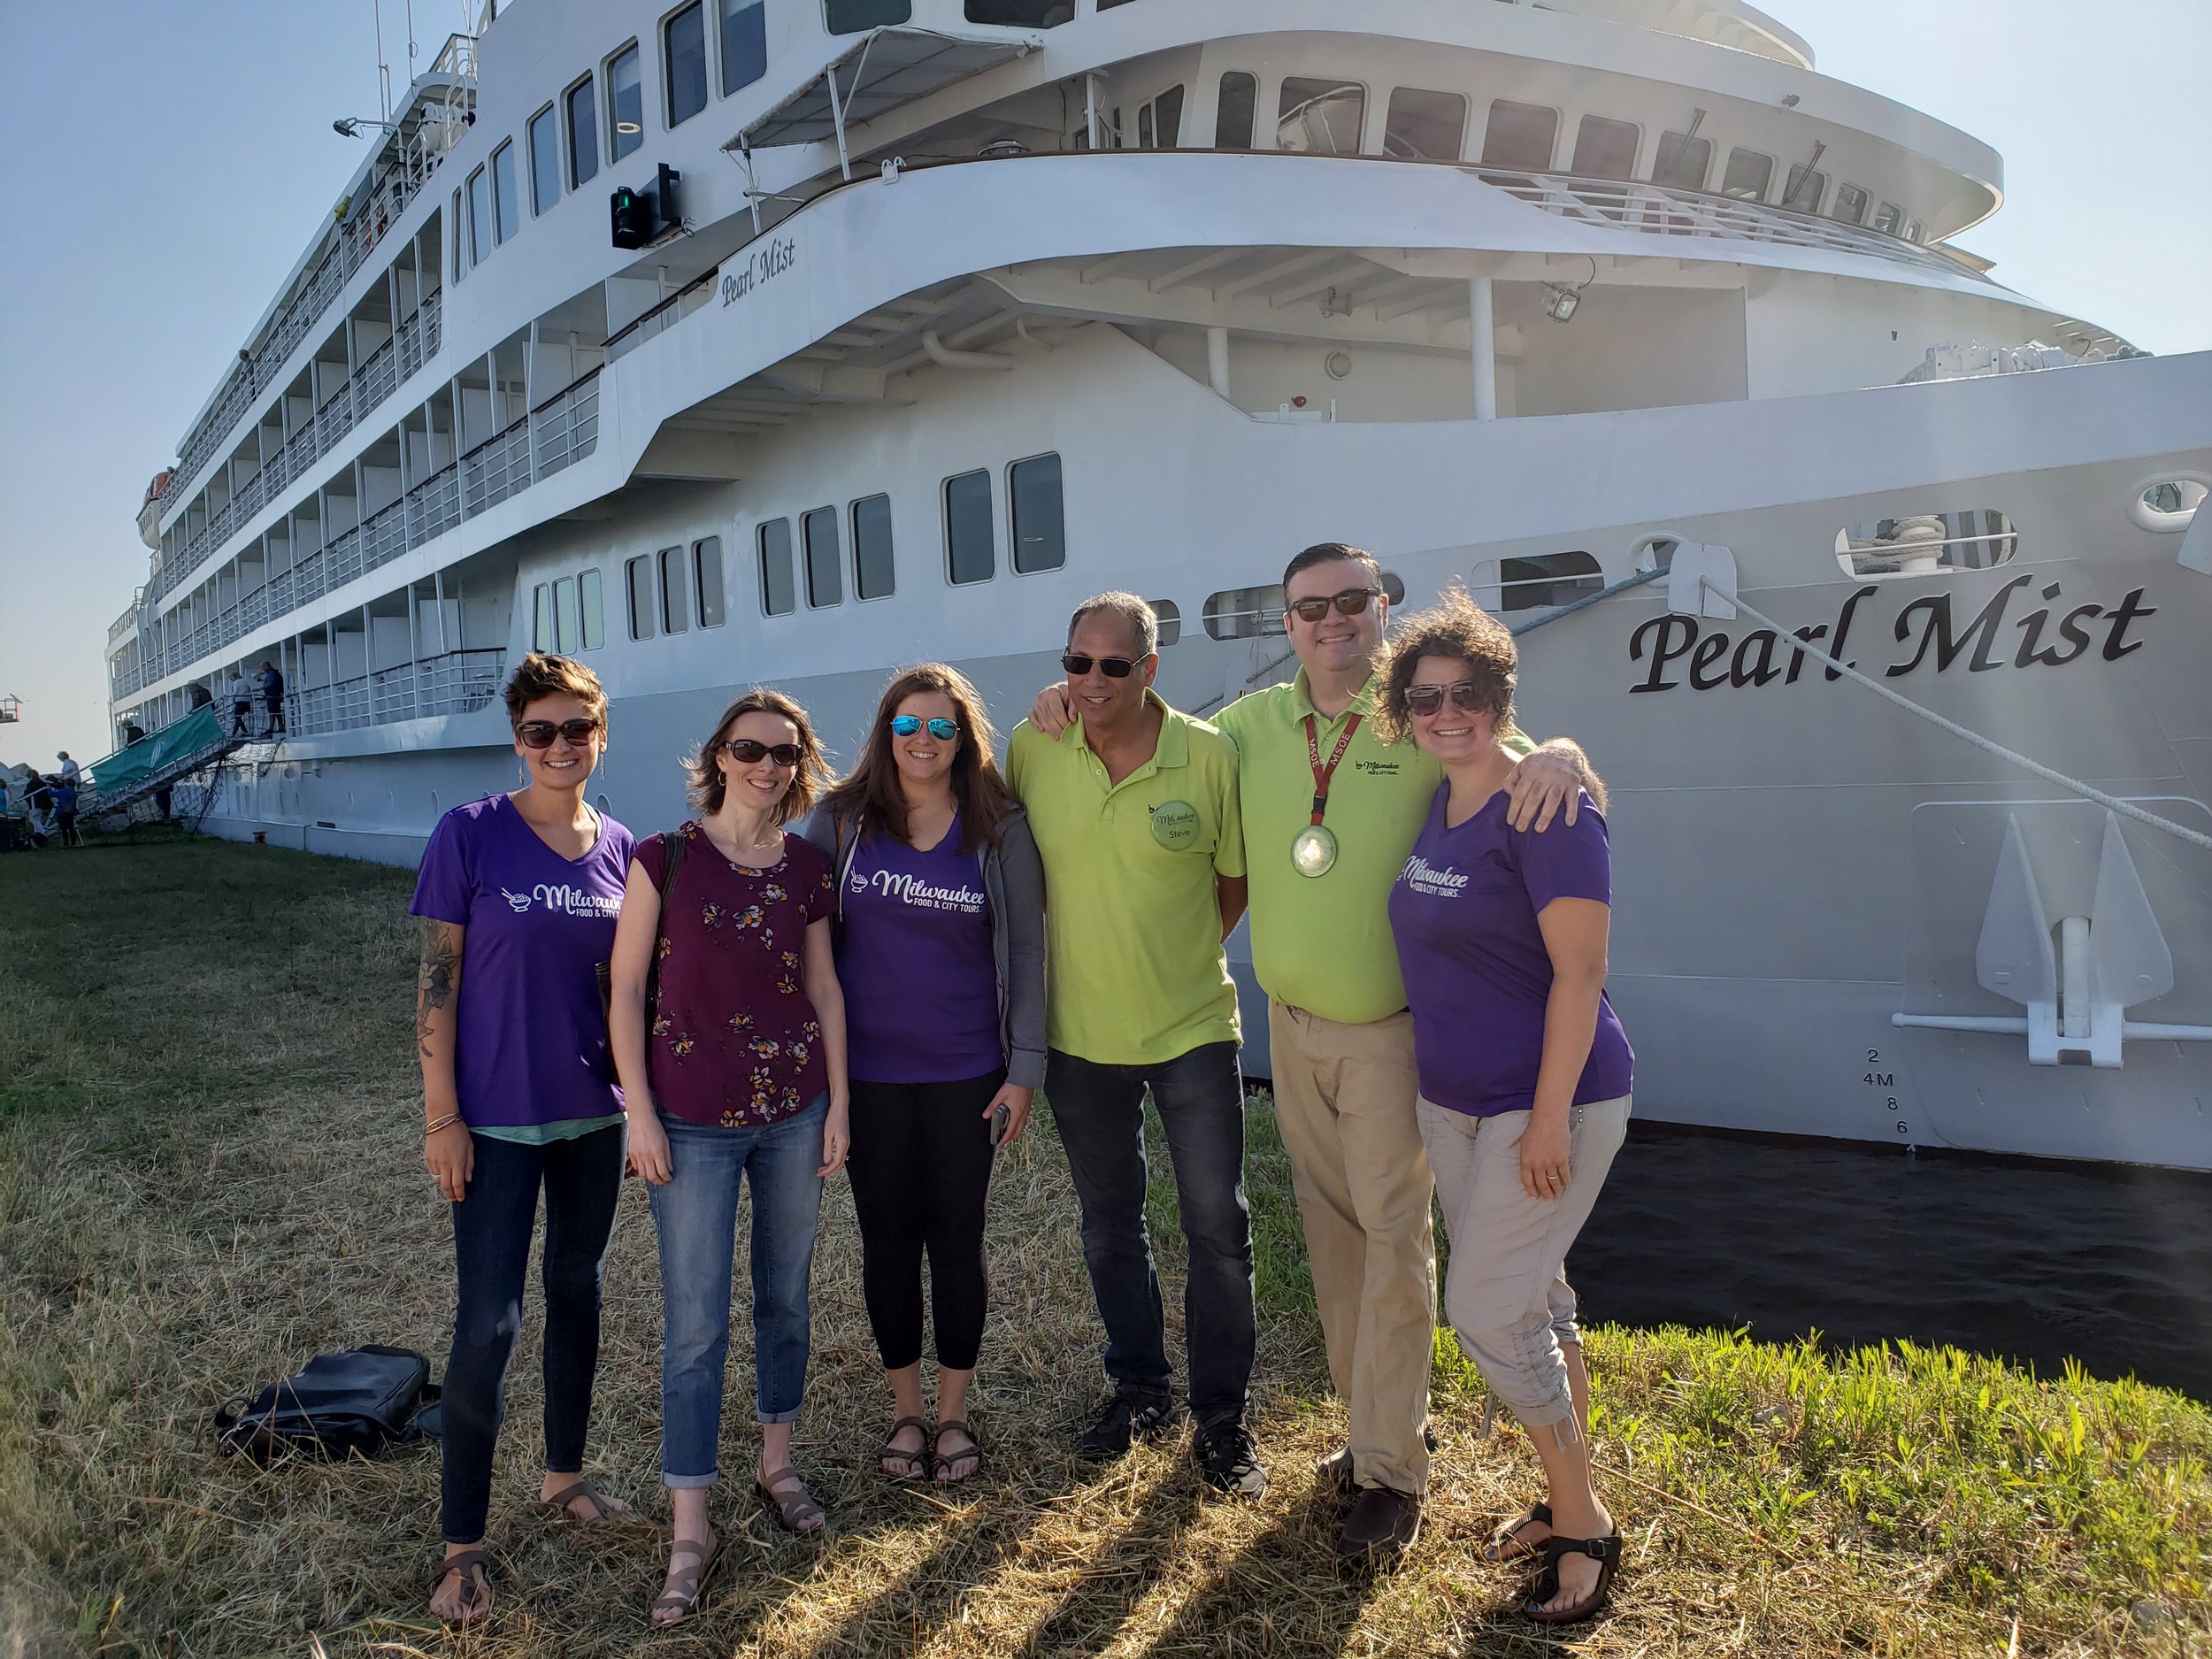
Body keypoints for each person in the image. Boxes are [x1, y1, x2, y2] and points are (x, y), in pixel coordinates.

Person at [1028, 545, 1594, 1558]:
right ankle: (1370, 1429)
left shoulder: (1421, 723)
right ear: (1284, 624)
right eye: (1307, 608)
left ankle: (1391, 1472)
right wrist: (1069, 698)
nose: (1330, 621)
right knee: (1335, 1241)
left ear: (1382, 609)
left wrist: (1560, 748)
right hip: (1288, 1028)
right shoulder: (1243, 731)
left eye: (1349, 602)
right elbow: (1159, 747)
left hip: (1389, 1037)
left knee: (1392, 1247)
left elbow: (1511, 764)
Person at [1380, 590, 1634, 1625]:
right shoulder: (1441, 804)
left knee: (1484, 1310)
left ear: (1502, 700)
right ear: (1404, 710)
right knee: (1539, 1301)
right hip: (1453, 1105)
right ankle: (1569, 1497)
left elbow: (1580, 979)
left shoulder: (1549, 809)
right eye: (1427, 696)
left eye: (1470, 694)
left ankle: (1585, 1527)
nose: (1448, 712)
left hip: (1547, 1104)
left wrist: (1544, 1119)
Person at [1006, 593, 1265, 1496]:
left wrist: (1176, 955)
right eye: (1076, 663)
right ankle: (1140, 1391)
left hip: (1193, 1028)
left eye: (1113, 666)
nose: (1090, 681)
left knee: (1216, 1227)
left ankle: (1223, 1421)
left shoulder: (1209, 753)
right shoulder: (1032, 745)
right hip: (1079, 1037)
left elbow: (1232, 882)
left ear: (1150, 670)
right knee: (1110, 1226)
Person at [610, 688, 849, 1627]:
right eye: (750, 749)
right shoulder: (663, 859)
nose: (767, 766)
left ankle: (776, 1465)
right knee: (696, 1324)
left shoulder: (808, 869)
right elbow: (627, 991)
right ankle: (689, 1525)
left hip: (795, 1112)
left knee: (786, 1299)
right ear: (717, 757)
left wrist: (840, 1108)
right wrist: (638, 1115)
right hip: (692, 1120)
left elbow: (826, 990)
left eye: (784, 754)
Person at [409, 653, 639, 1626]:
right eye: (540, 731)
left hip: (594, 1117)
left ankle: (563, 1476)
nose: (558, 746)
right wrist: (442, 1117)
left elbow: (625, 992)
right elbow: (435, 985)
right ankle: (462, 1542)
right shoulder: (468, 834)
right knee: (488, 1325)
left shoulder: (622, 847)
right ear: (517, 739)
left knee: (577, 1292)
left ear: (600, 735)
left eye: (576, 729)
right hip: (494, 1125)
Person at [803, 664, 1046, 1486]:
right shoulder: (839, 823)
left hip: (967, 1072)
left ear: (963, 738)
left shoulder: (998, 825)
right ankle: (904, 1409)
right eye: (909, 726)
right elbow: (794, 933)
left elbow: (1025, 951)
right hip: (867, 1075)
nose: (924, 742)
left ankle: (952, 1414)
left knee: (957, 1237)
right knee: (886, 1239)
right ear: (886, 733)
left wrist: (1024, 1070)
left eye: (942, 728)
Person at [51, 774, 81, 849]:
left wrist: (48, 788)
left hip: (62, 812)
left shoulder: (63, 792)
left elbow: (51, 794)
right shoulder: (73, 793)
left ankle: (66, 843)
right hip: (71, 812)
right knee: (71, 827)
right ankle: (73, 843)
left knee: (63, 828)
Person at [260, 660, 287, 734]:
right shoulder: (274, 673)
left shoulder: (272, 673)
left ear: (267, 666)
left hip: (273, 696)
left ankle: (272, 728)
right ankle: (279, 727)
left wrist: (260, 688)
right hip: (274, 695)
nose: (262, 670)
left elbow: (270, 683)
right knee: (276, 712)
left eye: (263, 668)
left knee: (273, 712)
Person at [227, 672, 252, 738]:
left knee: (237, 717)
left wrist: (229, 696)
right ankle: (233, 734)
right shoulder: (245, 681)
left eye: (231, 678)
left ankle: (245, 732)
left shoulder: (236, 682)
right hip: (247, 701)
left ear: (235, 676)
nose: (231, 680)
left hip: (240, 701)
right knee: (238, 718)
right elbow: (249, 690)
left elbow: (235, 692)